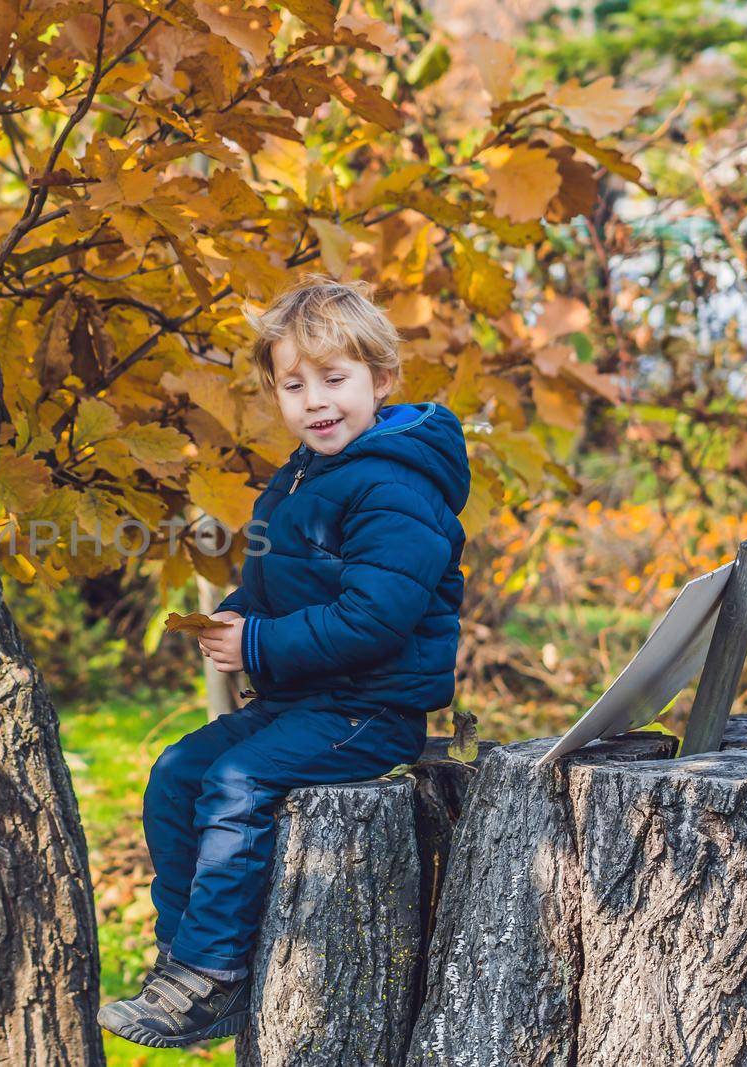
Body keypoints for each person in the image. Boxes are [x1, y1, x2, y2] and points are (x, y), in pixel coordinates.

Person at [97, 276, 471, 1049]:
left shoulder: (394, 482)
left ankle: (212, 972)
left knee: (239, 782)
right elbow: (288, 577)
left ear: (382, 380)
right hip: (306, 699)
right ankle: (185, 963)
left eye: (334, 379)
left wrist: (258, 645)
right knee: (177, 771)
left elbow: (375, 618)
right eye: (294, 385)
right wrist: (241, 610)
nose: (315, 401)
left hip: (369, 709)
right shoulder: (305, 472)